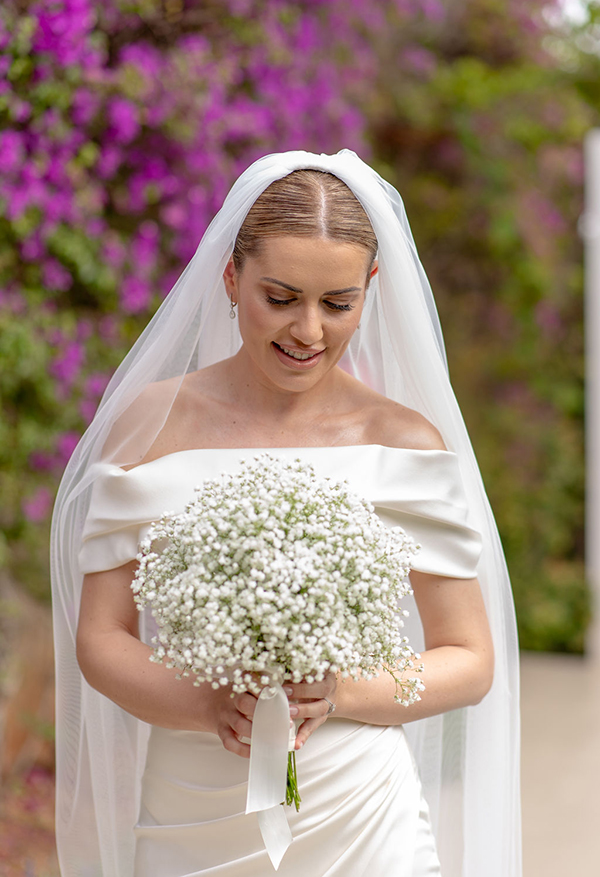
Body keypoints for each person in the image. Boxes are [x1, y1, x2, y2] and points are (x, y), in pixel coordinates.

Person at [51, 151, 521, 877]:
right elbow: (101, 636)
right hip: (191, 806)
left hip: (362, 814)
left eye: (338, 303)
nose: (308, 331)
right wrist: (209, 705)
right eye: (280, 297)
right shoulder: (151, 425)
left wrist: (340, 693)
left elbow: (470, 658)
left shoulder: (402, 443)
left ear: (371, 287)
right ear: (231, 278)